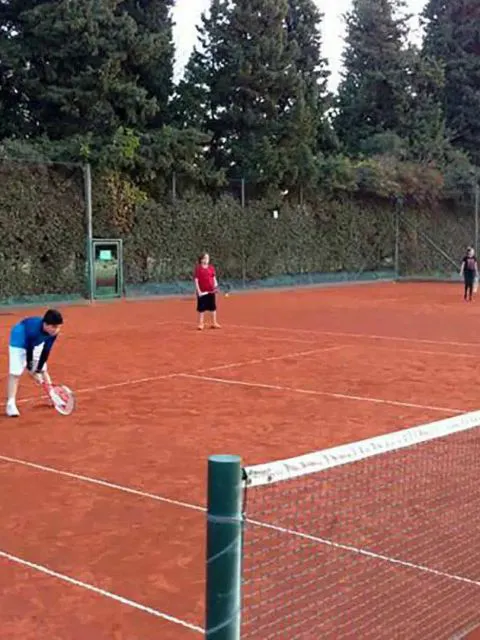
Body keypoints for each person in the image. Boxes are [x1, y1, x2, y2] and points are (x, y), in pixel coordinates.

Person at [6, 309, 63, 417]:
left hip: (35, 342)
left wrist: (38, 369)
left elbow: (46, 351)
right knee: (15, 373)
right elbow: (29, 351)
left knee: (43, 370)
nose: (56, 330)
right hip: (19, 339)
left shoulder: (53, 332)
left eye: (59, 327)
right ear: (45, 324)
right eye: (54, 327)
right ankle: (10, 404)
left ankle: (53, 396)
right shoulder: (33, 330)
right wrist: (31, 369)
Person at [194, 252, 221, 330]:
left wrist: (216, 286)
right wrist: (199, 291)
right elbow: (196, 280)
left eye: (208, 258)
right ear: (201, 260)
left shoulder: (211, 268)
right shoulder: (198, 269)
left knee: (213, 307)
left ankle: (214, 323)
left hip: (211, 291)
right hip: (202, 292)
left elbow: (214, 278)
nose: (207, 259)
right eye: (205, 258)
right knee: (201, 309)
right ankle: (201, 324)